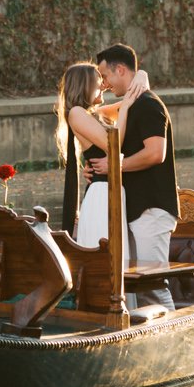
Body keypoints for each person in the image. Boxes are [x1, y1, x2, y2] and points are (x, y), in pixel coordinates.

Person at [86, 43, 179, 311]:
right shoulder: (130, 103)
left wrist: (114, 165)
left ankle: (175, 341)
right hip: (136, 209)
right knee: (137, 285)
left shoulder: (148, 104)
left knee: (154, 285)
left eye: (106, 76)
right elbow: (87, 112)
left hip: (152, 209)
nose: (103, 84)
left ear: (121, 70)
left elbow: (155, 154)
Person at [54, 60, 137, 253]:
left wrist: (139, 77)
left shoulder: (95, 114)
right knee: (108, 258)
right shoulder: (76, 113)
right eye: (98, 82)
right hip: (101, 195)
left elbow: (130, 101)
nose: (103, 85)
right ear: (86, 85)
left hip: (113, 191)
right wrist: (125, 109)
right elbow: (113, 145)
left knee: (119, 257)